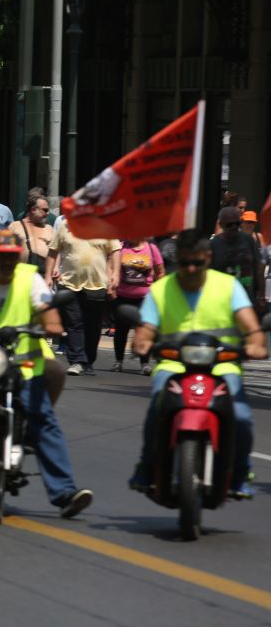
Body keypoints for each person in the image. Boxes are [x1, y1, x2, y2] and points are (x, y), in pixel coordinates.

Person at [0, 230, 94, 525]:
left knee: (43, 420)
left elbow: (45, 308)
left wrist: (50, 324)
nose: (6, 263)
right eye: (0, 256)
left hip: (21, 364)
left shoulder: (31, 278)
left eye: (11, 257)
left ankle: (65, 492)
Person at [128, 229, 265, 499]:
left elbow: (251, 327)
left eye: (197, 262)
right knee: (157, 405)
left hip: (222, 366)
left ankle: (240, 473)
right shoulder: (161, 289)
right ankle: (147, 465)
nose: (191, 268)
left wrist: (255, 343)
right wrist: (142, 342)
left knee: (241, 417)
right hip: (174, 365)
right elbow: (145, 329)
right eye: (184, 262)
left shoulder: (228, 286)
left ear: (208, 258)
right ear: (176, 259)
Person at [44, 219, 121, 375]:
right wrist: (47, 276)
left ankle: (89, 361)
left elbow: (115, 250)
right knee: (74, 323)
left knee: (93, 326)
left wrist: (115, 274)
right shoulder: (65, 226)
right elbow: (53, 250)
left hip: (97, 284)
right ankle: (77, 361)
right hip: (69, 283)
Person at [111, 238, 164, 373]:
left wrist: (159, 291)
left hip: (145, 298)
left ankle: (145, 363)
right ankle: (118, 361)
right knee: (121, 331)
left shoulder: (151, 248)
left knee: (143, 330)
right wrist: (112, 288)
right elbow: (112, 267)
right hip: (122, 296)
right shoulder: (121, 247)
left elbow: (160, 271)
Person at [211, 206, 264, 313]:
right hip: (223, 299)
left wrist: (261, 295)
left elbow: (258, 267)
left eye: (237, 223)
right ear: (221, 225)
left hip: (247, 298)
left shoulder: (248, 240)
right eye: (229, 225)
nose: (234, 227)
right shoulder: (214, 244)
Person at [9, 193, 53, 271]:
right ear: (33, 210)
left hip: (44, 275)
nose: (48, 213)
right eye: (45, 210)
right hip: (21, 274)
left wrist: (55, 269)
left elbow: (55, 252)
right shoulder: (14, 226)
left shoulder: (49, 228)